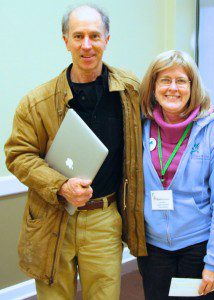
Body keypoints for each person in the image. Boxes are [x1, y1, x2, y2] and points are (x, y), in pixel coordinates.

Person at [4, 5, 146, 300]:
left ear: (107, 39)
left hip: (104, 219)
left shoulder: (130, 91)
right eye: (78, 36)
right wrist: (60, 186)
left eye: (94, 36)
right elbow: (18, 155)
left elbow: (165, 110)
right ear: (65, 40)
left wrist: (201, 112)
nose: (86, 45)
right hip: (52, 218)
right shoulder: (36, 102)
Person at [137, 50, 214, 300]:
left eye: (181, 80)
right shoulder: (140, 127)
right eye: (165, 80)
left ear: (193, 87)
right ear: (153, 86)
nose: (173, 88)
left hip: (198, 246)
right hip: (153, 248)